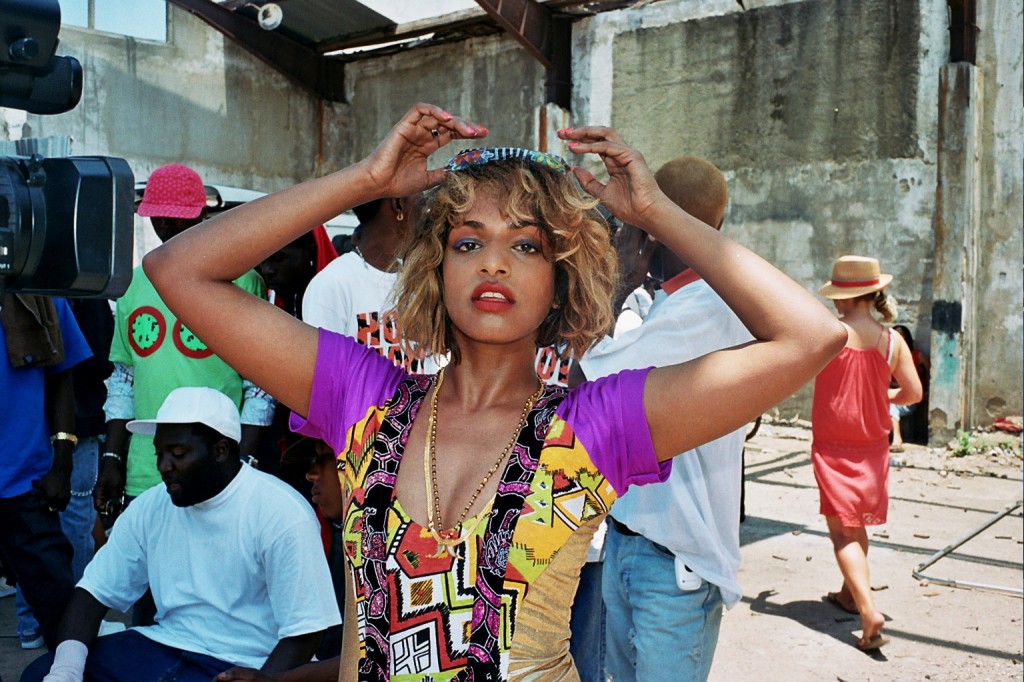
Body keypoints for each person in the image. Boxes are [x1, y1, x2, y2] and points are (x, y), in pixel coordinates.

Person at [141, 103, 846, 681]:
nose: (495, 264)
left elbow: (811, 336)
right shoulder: (363, 399)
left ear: (560, 280)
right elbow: (178, 270)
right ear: (437, 269)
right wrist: (365, 179)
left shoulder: (595, 426)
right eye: (469, 242)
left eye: (527, 245)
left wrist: (656, 213)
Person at [572, 156, 751, 682]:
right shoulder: (678, 304)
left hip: (672, 566)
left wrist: (620, 281)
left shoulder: (701, 310)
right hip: (640, 543)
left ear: (650, 225)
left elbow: (584, 394)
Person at [23, 387, 341, 682]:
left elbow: (306, 632)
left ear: (220, 451)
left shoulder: (281, 511)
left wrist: (265, 680)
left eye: (177, 453)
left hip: (246, 662)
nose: (164, 466)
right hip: (164, 643)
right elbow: (93, 593)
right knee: (39, 674)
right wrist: (65, 671)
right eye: (159, 453)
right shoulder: (151, 505)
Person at [95, 163, 274, 520]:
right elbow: (124, 380)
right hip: (145, 473)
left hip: (216, 472)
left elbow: (259, 385)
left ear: (202, 216)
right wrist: (112, 458)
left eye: (177, 217)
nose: (165, 225)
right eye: (158, 216)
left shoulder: (241, 281)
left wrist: (244, 463)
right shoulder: (132, 284)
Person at [813, 255, 922, 650]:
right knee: (855, 523)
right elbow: (913, 393)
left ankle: (867, 609)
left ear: (842, 297)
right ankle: (848, 594)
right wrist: (881, 395)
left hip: (832, 447)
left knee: (842, 533)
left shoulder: (828, 334)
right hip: (873, 449)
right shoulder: (892, 341)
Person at [13, 298, 115, 650]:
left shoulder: (35, 292)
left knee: (35, 530)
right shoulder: (73, 291)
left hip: (35, 434)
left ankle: (36, 626)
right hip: (72, 425)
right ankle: (64, 626)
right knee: (73, 527)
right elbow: (99, 361)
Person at [0, 294, 91, 651]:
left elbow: (61, 379)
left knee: (59, 611)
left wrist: (62, 464)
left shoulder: (43, 295)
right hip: (28, 479)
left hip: (28, 484)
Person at [302, 196, 436, 374]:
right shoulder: (332, 283)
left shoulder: (421, 280)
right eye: (421, 200)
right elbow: (325, 374)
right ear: (398, 204)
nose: (425, 210)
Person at [888, 324, 929, 452]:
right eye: (895, 334)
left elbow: (931, 372)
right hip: (893, 394)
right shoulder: (890, 357)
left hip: (910, 397)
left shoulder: (917, 355)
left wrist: (927, 391)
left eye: (901, 335)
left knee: (892, 406)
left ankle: (897, 439)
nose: (898, 337)